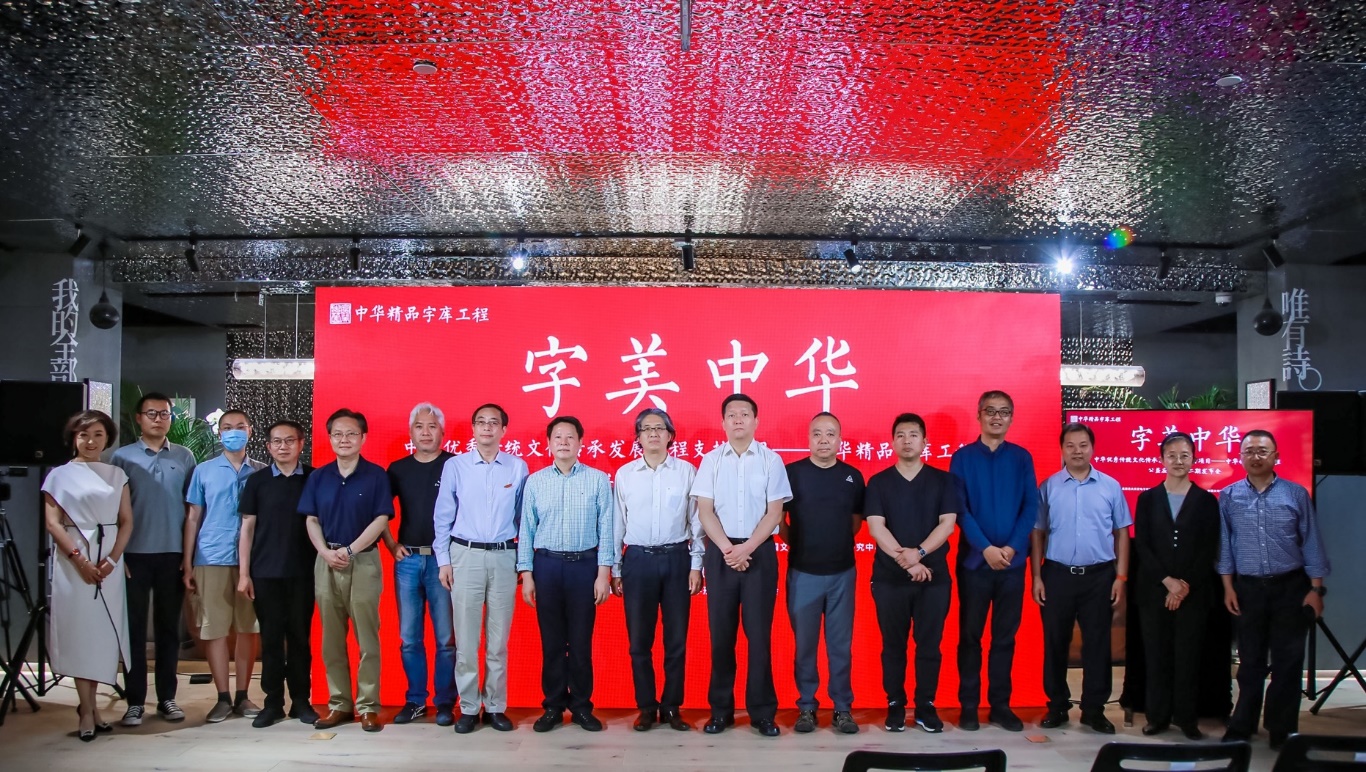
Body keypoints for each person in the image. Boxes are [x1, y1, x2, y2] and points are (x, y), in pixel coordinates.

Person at [1219, 430, 1329, 750]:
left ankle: (1282, 729)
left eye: (1262, 451)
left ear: (1276, 456)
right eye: (1249, 451)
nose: (1255, 456)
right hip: (1247, 588)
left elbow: (1311, 542)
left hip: (1290, 587)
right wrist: (1228, 586)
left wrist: (1316, 590)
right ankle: (1243, 724)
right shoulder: (1229, 495)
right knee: (1249, 661)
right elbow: (1225, 545)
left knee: (1288, 661)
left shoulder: (1296, 494)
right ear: (1240, 457)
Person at [693, 393, 792, 737]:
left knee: (759, 637)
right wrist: (727, 549)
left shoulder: (771, 460)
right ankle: (721, 711)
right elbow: (705, 510)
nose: (738, 419)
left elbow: (775, 512)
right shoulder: (710, 461)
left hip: (759, 553)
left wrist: (747, 547)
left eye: (745, 414)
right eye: (732, 414)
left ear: (756, 421)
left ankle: (762, 713)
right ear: (723, 422)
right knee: (721, 636)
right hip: (721, 554)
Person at [434, 403, 529, 734]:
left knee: (498, 641)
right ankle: (469, 707)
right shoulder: (456, 467)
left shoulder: (517, 467)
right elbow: (443, 517)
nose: (487, 427)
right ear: (473, 429)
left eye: (494, 423)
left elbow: (524, 519)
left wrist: (523, 562)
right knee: (466, 640)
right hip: (465, 555)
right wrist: (444, 560)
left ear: (504, 430)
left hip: (504, 556)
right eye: (481, 422)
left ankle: (496, 706)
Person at [1032, 422, 1131, 734]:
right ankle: (1057, 706)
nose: (1077, 451)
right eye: (1070, 445)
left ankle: (1093, 710)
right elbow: (1038, 533)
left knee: (1098, 644)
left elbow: (1122, 533)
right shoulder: (1048, 487)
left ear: (1093, 448)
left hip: (1100, 576)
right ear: (1062, 449)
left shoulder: (1110, 486)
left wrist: (1120, 577)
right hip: (1057, 574)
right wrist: (1036, 576)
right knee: (1055, 642)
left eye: (1083, 445)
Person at [299, 408, 394, 733]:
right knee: (331, 638)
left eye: (351, 433)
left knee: (367, 638)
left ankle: (368, 706)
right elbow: (311, 519)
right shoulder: (318, 477)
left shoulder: (376, 475)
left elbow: (381, 519)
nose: (344, 439)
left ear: (363, 437)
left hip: (363, 560)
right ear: (329, 438)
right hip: (326, 561)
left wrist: (350, 550)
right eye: (337, 434)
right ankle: (339, 704)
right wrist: (325, 552)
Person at [865, 413, 960, 734]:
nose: (907, 441)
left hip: (934, 579)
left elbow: (947, 524)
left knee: (929, 645)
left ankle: (925, 705)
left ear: (924, 441)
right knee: (893, 645)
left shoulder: (943, 481)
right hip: (889, 579)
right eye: (901, 435)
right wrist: (907, 561)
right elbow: (876, 527)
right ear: (892, 442)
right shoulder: (878, 482)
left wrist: (918, 553)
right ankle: (895, 704)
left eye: (914, 435)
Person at [42, 410, 134, 741]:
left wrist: (112, 559)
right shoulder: (59, 475)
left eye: (97, 434)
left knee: (102, 635)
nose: (91, 441)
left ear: (107, 438)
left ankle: (92, 707)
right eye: (84, 435)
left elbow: (126, 521)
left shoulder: (116, 474)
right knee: (80, 633)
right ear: (74, 438)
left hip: (109, 561)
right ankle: (86, 708)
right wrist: (79, 560)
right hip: (74, 561)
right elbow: (53, 523)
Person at [610, 408, 702, 732]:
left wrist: (696, 565)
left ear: (670, 435)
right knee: (639, 641)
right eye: (646, 429)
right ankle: (647, 707)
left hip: (677, 559)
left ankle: (672, 706)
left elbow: (696, 522)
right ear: (638, 437)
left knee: (676, 640)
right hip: (637, 560)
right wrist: (616, 568)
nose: (652, 433)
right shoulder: (625, 474)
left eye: (659, 428)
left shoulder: (687, 472)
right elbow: (617, 523)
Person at [519, 416, 614, 732]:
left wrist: (603, 573)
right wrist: (527, 574)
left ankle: (582, 707)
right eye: (557, 437)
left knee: (581, 642)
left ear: (580, 442)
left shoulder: (597, 480)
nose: (563, 442)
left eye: (570, 437)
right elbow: (526, 530)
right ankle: (553, 707)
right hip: (546, 566)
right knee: (552, 643)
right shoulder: (535, 482)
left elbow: (607, 529)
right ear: (548, 444)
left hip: (584, 567)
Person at [949, 390, 1036, 732]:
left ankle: (1000, 705)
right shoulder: (962, 458)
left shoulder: (1022, 458)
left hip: (1012, 566)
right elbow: (960, 508)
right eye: (991, 411)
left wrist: (1012, 547)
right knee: (970, 637)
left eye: (1004, 412)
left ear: (1011, 418)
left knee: (1004, 638)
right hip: (975, 564)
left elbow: (1030, 507)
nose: (997, 417)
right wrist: (985, 547)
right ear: (979, 415)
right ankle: (969, 706)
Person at [111, 392, 193, 727]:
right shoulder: (121, 457)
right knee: (133, 630)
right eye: (151, 413)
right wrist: (117, 556)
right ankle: (134, 702)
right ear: (139, 418)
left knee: (168, 629)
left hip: (172, 555)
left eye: (164, 413)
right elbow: (113, 511)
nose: (158, 419)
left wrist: (188, 557)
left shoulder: (185, 456)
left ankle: (167, 698)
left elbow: (192, 510)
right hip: (134, 556)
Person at [1133, 432, 1220, 740]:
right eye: (1172, 455)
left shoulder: (1207, 501)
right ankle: (1157, 717)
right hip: (1154, 591)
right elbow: (1143, 545)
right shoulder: (1147, 499)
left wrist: (1184, 585)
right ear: (1162, 459)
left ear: (1193, 459)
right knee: (1156, 656)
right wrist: (1168, 581)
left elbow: (1208, 547)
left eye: (1184, 455)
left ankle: (1186, 718)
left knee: (1188, 658)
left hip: (1193, 593)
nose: (1178, 461)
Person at [781, 412, 864, 734]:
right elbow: (780, 522)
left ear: (840, 439)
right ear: (809, 438)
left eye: (830, 434)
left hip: (842, 572)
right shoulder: (791, 474)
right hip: (803, 573)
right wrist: (803, 545)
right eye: (817, 434)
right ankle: (806, 707)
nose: (824, 440)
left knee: (840, 646)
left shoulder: (853, 476)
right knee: (805, 646)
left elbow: (855, 523)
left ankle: (842, 708)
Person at [183, 409, 266, 722]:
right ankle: (222, 697)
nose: (234, 432)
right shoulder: (203, 471)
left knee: (248, 628)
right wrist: (187, 562)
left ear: (250, 431)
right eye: (227, 427)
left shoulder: (261, 471)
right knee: (215, 629)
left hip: (252, 561)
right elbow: (193, 517)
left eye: (240, 427)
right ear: (219, 433)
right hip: (211, 556)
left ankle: (243, 695)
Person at [237, 420, 318, 728]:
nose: (283, 446)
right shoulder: (257, 481)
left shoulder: (313, 478)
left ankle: (301, 701)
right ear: (268, 446)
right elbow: (247, 528)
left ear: (301, 444)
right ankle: (272, 703)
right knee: (270, 639)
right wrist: (244, 574)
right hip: (265, 573)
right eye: (277, 442)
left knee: (299, 638)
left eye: (289, 441)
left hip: (304, 573)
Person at [384, 403, 456, 726]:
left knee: (446, 640)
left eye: (432, 426)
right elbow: (379, 512)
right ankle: (415, 700)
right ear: (410, 432)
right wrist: (391, 543)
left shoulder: (456, 465)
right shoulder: (398, 469)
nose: (425, 432)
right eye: (419, 426)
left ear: (443, 431)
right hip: (409, 560)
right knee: (410, 637)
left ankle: (445, 703)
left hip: (444, 562)